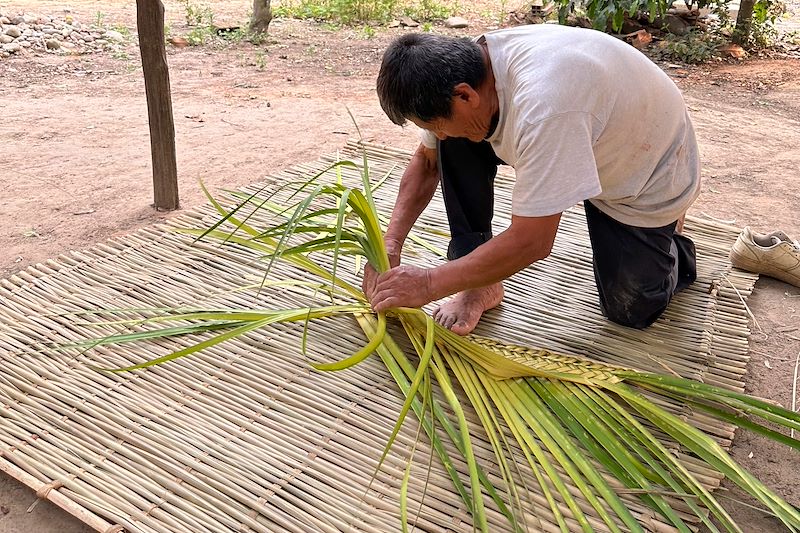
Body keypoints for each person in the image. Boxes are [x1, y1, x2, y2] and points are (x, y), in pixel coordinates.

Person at [362, 24, 700, 335]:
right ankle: (482, 283)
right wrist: (391, 242)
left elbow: (533, 241)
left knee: (631, 307)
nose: (437, 135)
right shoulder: (470, 65)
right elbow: (427, 163)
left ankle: (672, 235)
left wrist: (429, 284)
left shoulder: (545, 110)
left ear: (465, 95)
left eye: (434, 125)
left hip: (645, 173)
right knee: (455, 143)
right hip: (589, 130)